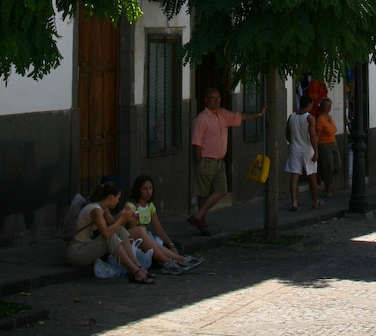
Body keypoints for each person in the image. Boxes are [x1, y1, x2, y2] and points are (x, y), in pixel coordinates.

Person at [188, 88, 267, 235]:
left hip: (219, 161)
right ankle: (203, 222)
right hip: (206, 160)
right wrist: (200, 163)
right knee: (202, 193)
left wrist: (258, 114)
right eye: (213, 98)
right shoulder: (201, 119)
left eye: (218, 97)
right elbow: (196, 144)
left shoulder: (223, 114)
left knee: (222, 190)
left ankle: (198, 216)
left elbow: (240, 116)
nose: (217, 101)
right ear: (206, 100)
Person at [65, 180, 155, 283]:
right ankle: (135, 272)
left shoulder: (103, 208)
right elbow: (106, 233)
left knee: (120, 230)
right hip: (76, 253)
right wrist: (121, 219)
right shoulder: (95, 210)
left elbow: (113, 224)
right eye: (118, 198)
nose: (118, 201)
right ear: (111, 197)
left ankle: (138, 267)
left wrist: (126, 218)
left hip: (86, 246)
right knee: (110, 238)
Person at [126, 175, 203, 273]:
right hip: (136, 242)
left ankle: (177, 259)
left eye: (150, 188)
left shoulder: (150, 206)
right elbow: (133, 231)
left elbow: (158, 228)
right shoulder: (131, 206)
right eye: (145, 189)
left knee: (176, 245)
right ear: (138, 190)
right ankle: (177, 260)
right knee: (150, 242)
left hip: (147, 237)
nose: (148, 192)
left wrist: (171, 245)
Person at [285, 93, 322, 210]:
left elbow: (287, 134)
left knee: (294, 175)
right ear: (309, 104)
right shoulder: (310, 118)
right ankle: (315, 201)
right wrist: (316, 151)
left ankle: (294, 202)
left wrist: (293, 142)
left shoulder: (291, 117)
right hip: (307, 149)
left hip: (295, 149)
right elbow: (313, 135)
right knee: (312, 176)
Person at [316, 98, 341, 198]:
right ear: (322, 107)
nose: (329, 108)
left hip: (333, 143)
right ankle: (328, 190)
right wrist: (316, 149)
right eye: (327, 106)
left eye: (330, 106)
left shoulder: (329, 118)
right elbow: (317, 135)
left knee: (337, 165)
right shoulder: (320, 120)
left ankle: (322, 176)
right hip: (324, 144)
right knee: (329, 166)